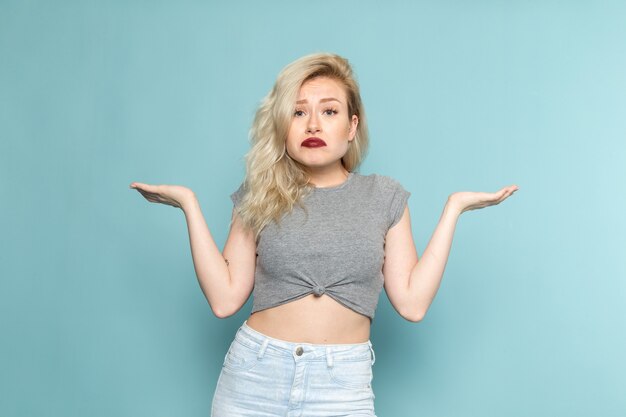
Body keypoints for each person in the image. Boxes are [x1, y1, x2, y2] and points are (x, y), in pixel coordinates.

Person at [129, 52, 518, 416]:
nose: (312, 124)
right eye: (298, 112)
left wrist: (454, 209)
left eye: (329, 111)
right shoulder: (260, 195)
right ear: (283, 126)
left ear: (352, 126)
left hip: (342, 384)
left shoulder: (384, 196)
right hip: (253, 377)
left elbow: (413, 305)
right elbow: (224, 299)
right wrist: (189, 206)